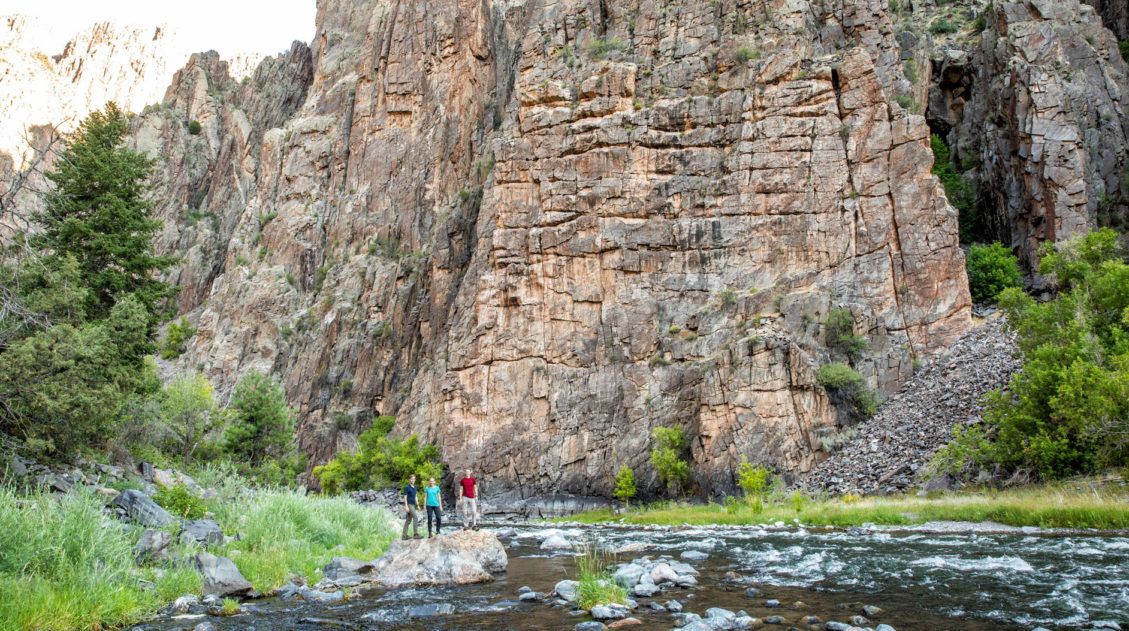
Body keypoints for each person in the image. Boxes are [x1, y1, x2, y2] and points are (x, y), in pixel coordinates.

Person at [401, 474, 422, 539]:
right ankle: (415, 534)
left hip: (413, 504)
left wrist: (418, 505)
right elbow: (405, 497)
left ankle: (404, 536)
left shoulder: (415, 487)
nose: (413, 480)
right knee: (415, 517)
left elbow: (415, 497)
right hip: (409, 504)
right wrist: (406, 506)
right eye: (411, 479)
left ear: (415, 480)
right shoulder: (407, 487)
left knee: (408, 520)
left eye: (414, 479)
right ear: (409, 479)